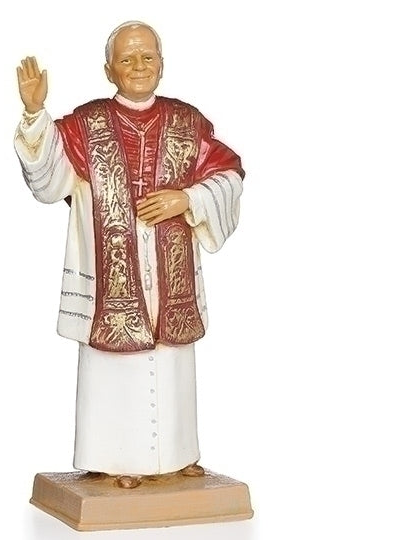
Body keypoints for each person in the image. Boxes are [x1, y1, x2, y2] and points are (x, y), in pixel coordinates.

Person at [14, 21, 245, 489]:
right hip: (111, 274)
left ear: (162, 64)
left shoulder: (187, 122)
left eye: (147, 57)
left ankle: (178, 455)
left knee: (173, 362)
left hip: (170, 270)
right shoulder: (86, 125)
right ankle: (116, 459)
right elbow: (48, 181)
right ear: (109, 70)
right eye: (126, 58)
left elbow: (230, 175)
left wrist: (188, 199)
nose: (138, 66)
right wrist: (36, 113)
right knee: (114, 368)